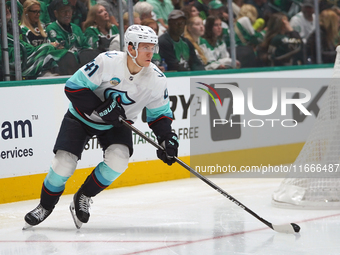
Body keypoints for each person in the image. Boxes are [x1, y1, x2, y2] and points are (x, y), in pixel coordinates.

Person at [23, 24, 179, 229]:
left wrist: (166, 138)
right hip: (80, 117)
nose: (151, 53)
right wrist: (100, 107)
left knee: (119, 160)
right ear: (131, 48)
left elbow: (159, 115)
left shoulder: (157, 80)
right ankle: (45, 206)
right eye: (145, 47)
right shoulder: (108, 62)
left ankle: (83, 196)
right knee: (63, 164)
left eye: (153, 47)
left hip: (116, 124)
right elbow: (73, 87)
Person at [46, 0, 100, 67]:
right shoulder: (52, 28)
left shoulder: (76, 28)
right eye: (63, 11)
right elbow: (60, 51)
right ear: (56, 13)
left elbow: (86, 47)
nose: (67, 14)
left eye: (69, 11)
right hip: (62, 65)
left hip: (80, 65)